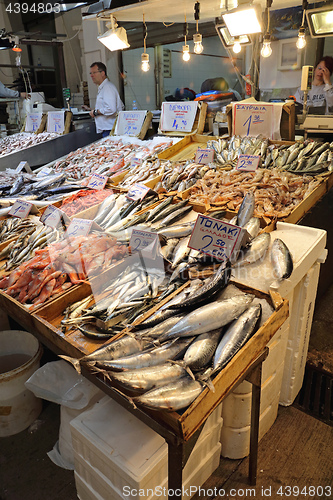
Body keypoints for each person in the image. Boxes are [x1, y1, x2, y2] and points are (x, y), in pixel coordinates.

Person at [83, 61, 124, 137]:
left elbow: (111, 109)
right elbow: (119, 105)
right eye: (90, 73)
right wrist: (91, 110)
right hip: (107, 129)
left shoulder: (108, 87)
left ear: (102, 73)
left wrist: (95, 112)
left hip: (110, 130)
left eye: (94, 73)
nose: (92, 76)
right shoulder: (103, 88)